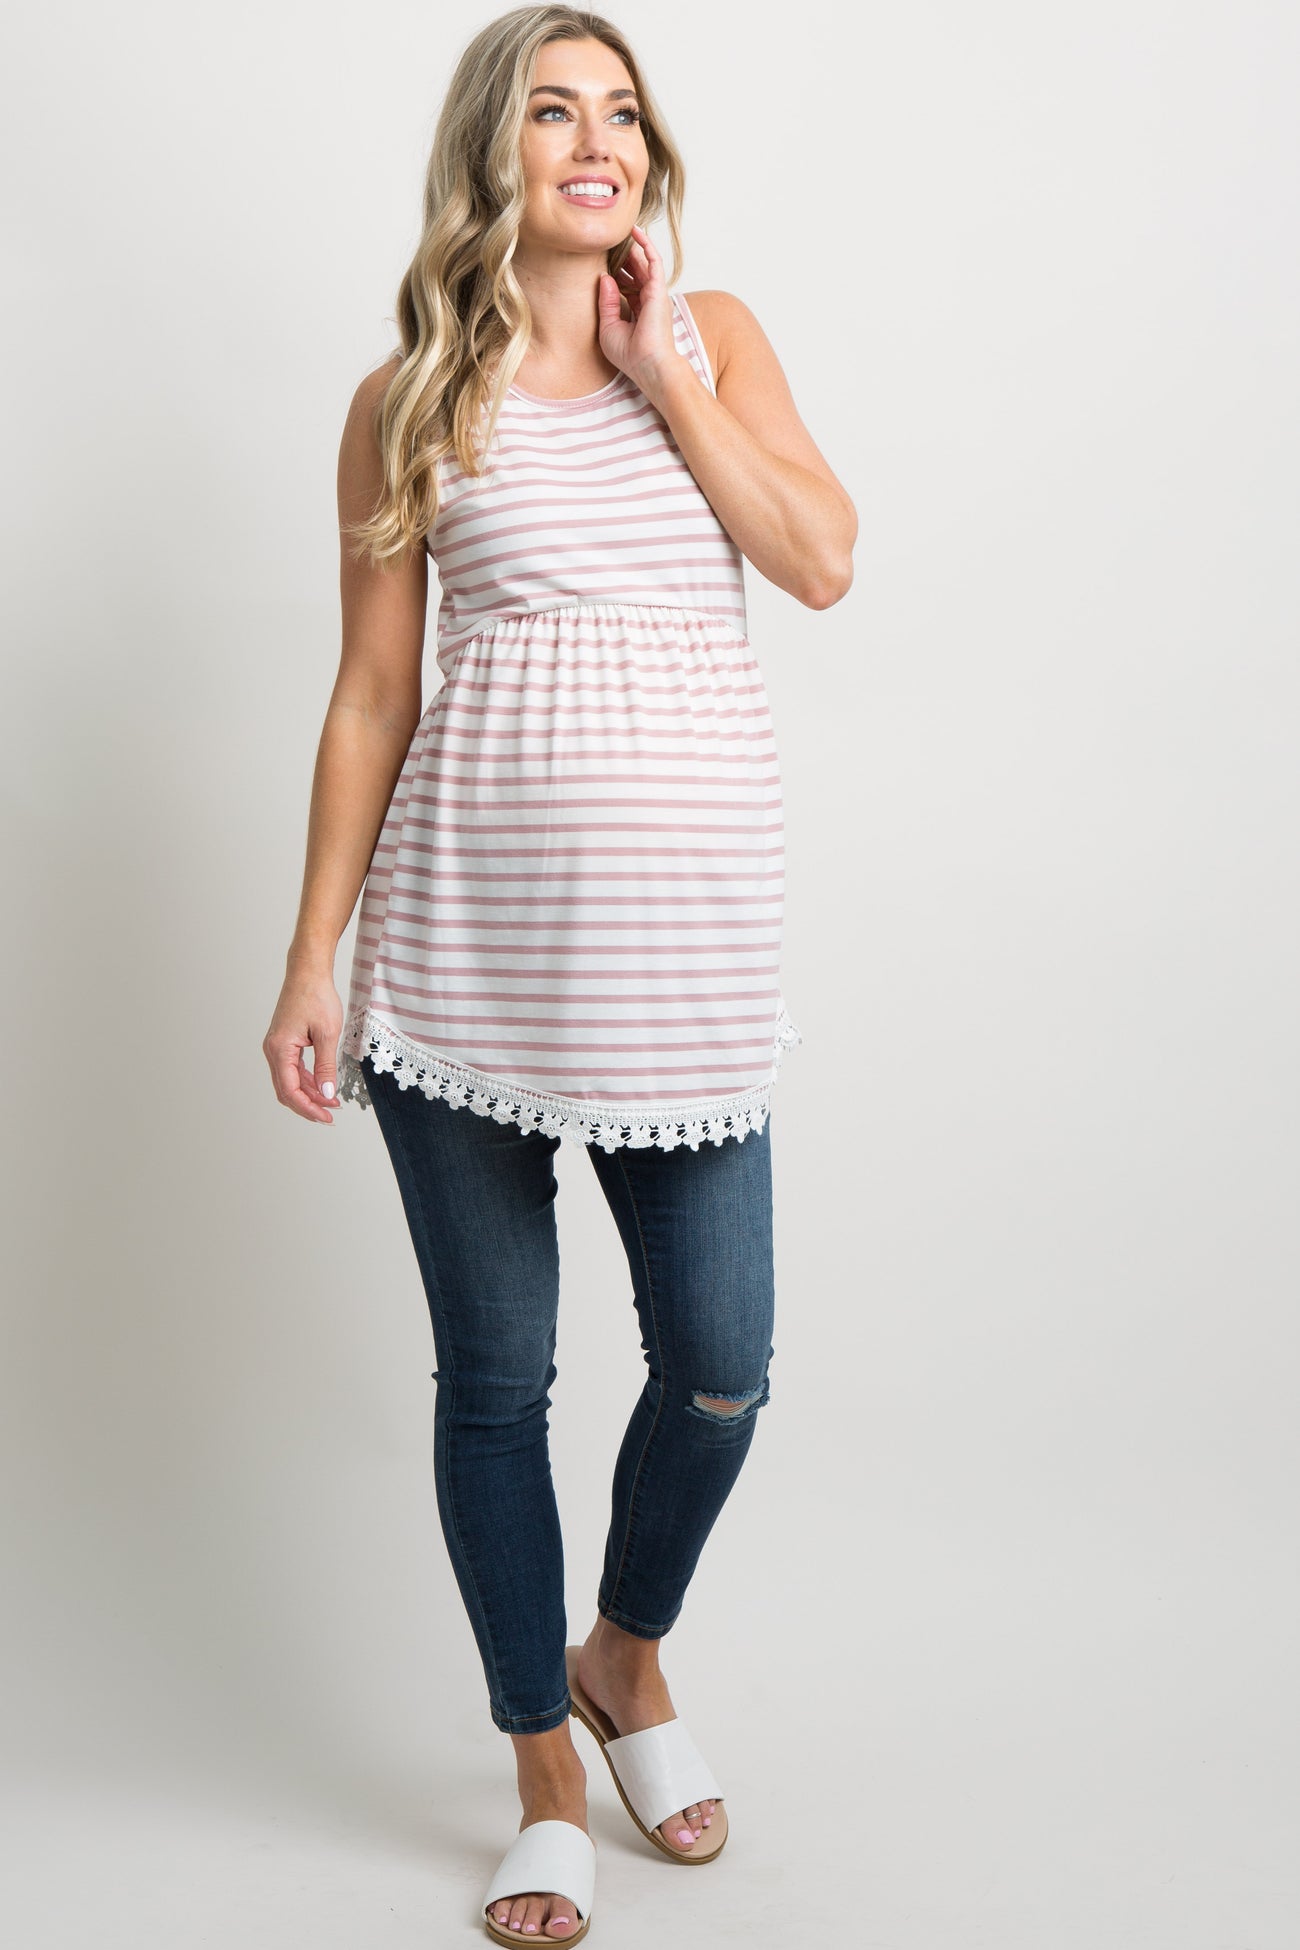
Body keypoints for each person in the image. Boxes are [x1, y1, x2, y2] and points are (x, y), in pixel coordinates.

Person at [263, 7, 855, 1942]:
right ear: (489, 152)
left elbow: (821, 559)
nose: (595, 138)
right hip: (459, 973)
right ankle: (542, 1761)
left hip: (681, 976)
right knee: (496, 1382)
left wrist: (663, 374)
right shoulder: (404, 398)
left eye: (619, 111)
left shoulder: (716, 336)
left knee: (722, 1362)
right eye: (551, 108)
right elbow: (372, 696)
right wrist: (312, 957)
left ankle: (625, 1652)